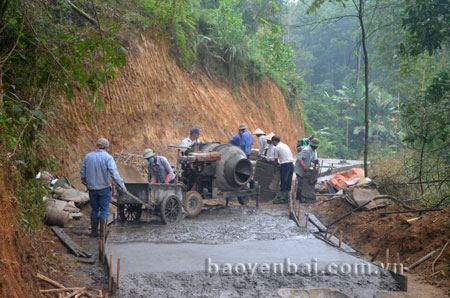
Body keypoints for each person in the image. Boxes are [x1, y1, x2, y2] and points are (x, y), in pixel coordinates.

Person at [81, 138, 126, 237]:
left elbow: (83, 171)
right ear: (106, 147)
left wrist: (85, 181)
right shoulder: (108, 157)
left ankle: (94, 232)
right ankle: (102, 233)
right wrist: (121, 185)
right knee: (104, 210)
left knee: (95, 209)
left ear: (97, 146)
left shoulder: (88, 157)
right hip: (104, 189)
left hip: (92, 189)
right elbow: (114, 173)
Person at [271, 136, 294, 204]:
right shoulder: (285, 145)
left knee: (283, 182)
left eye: (273, 142)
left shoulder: (276, 148)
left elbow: (275, 160)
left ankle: (282, 198)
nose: (273, 144)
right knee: (289, 182)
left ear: (274, 141)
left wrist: (275, 166)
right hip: (291, 164)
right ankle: (288, 197)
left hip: (285, 165)